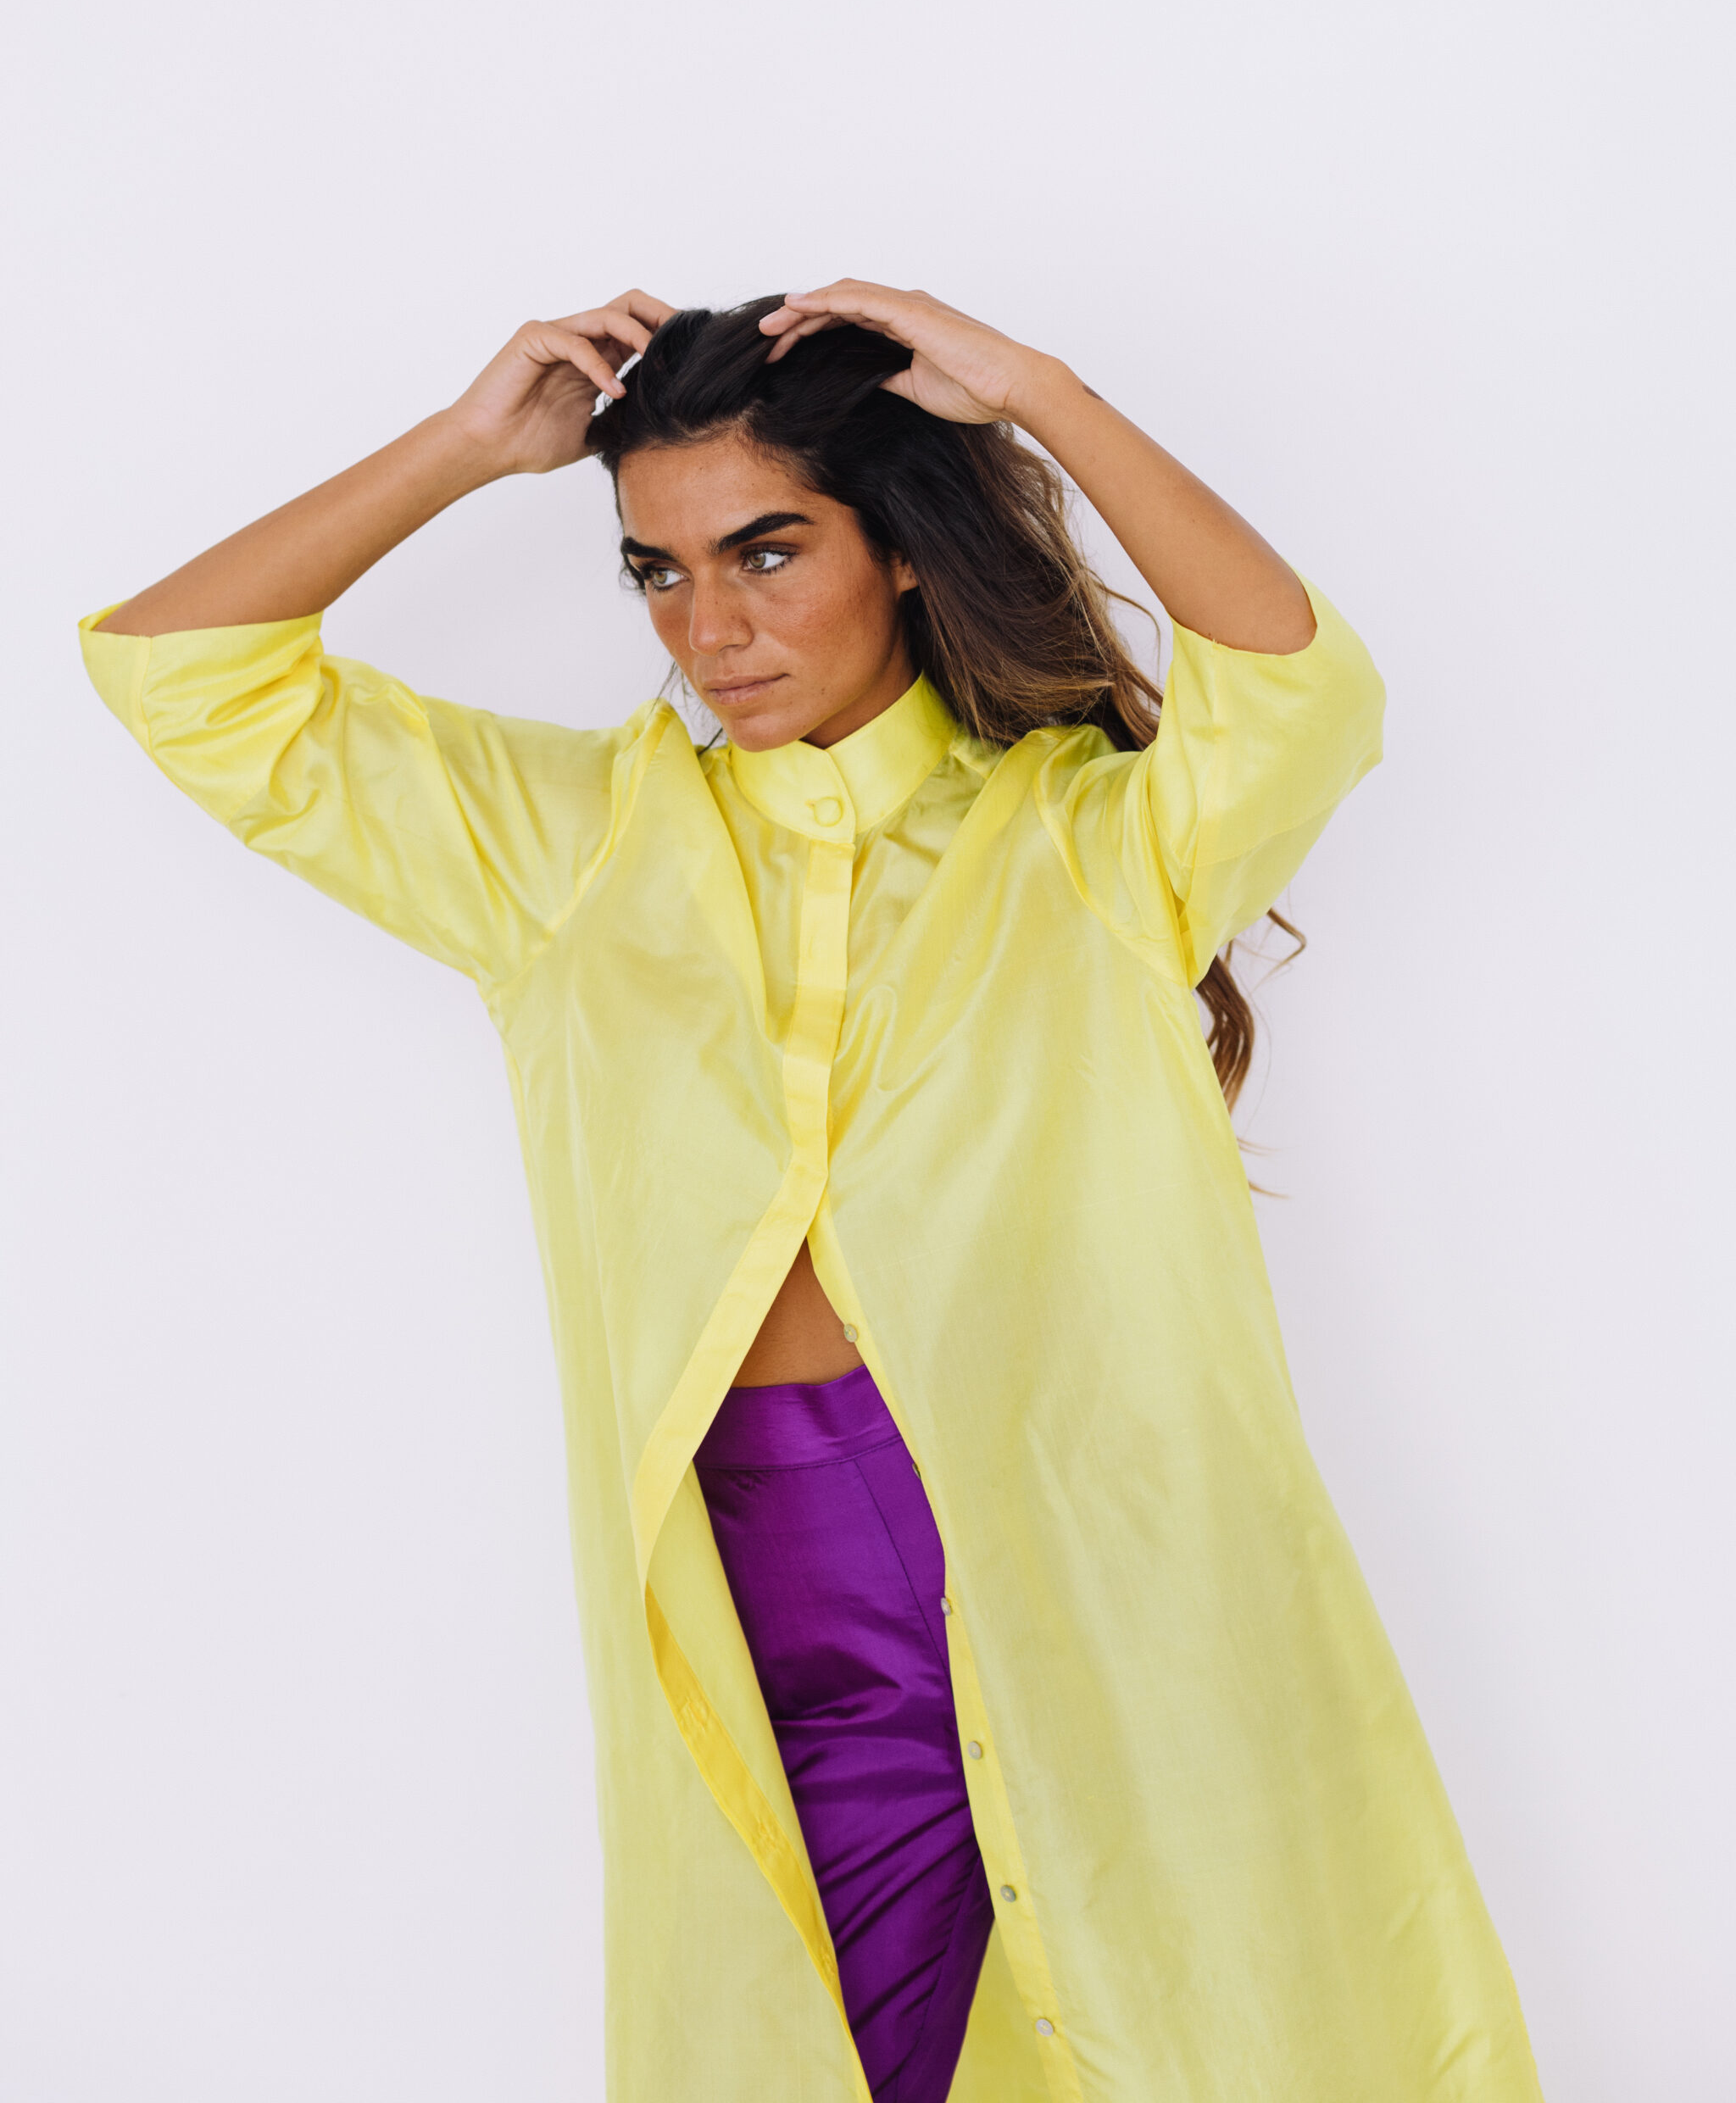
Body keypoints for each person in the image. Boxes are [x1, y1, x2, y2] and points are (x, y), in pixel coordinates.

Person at [82, 282, 1542, 2103]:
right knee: (816, 2044)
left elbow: (1305, 690)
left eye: (767, 552)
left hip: (1111, 1562)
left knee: (1211, 2018)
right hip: (780, 1591)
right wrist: (466, 446)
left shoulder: (1089, 844)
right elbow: (178, 673)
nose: (711, 627)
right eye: (659, 571)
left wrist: (1040, 392)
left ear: (903, 550)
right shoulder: (569, 850)